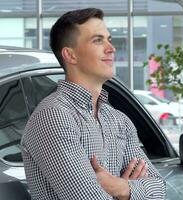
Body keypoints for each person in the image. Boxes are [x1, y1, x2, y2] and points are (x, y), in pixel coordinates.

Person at [21, 8, 166, 200]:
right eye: (98, 40)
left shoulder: (118, 120)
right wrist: (134, 192)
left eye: (109, 39)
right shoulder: (53, 116)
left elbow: (160, 190)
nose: (111, 48)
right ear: (70, 55)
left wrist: (121, 188)